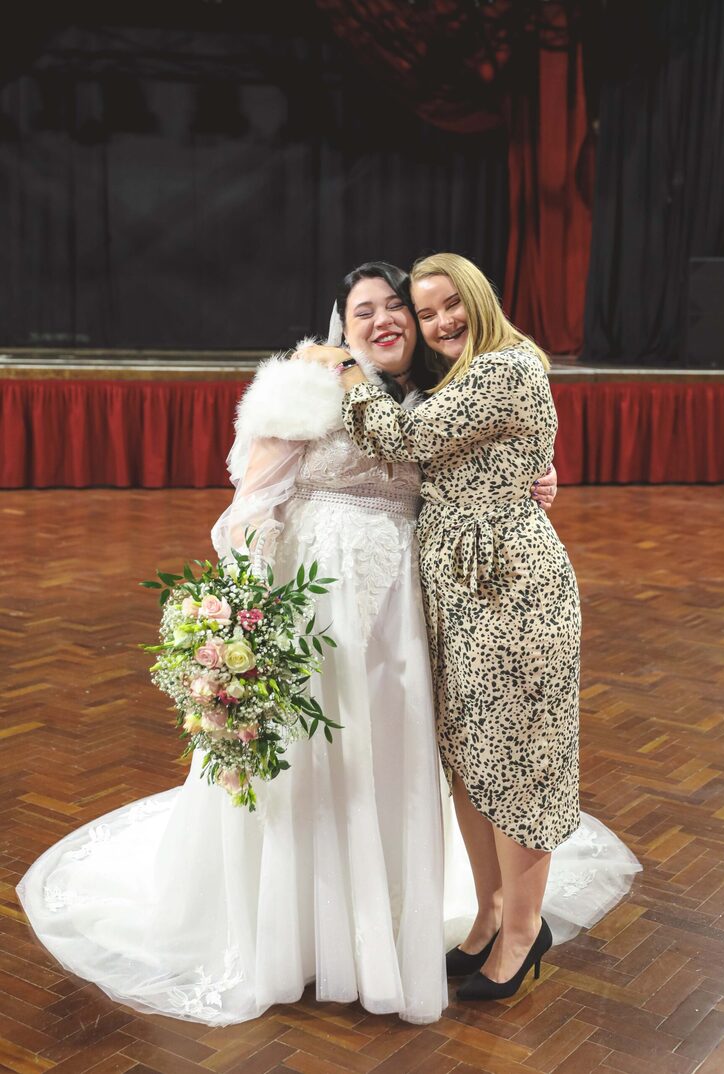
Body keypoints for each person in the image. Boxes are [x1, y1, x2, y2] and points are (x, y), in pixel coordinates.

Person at [16, 260, 636, 1026]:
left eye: (402, 308)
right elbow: (249, 508)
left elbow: (470, 453)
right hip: (317, 606)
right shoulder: (307, 382)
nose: (391, 320)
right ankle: (303, 934)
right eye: (366, 307)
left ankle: (431, 928)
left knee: (399, 759)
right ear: (341, 319)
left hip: (411, 613)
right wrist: (245, 612)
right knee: (318, 765)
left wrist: (534, 477)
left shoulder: (433, 388)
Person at [303, 252, 622, 1001]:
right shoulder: (447, 377)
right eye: (429, 311)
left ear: (480, 300)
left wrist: (347, 371)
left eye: (452, 305)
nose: (441, 321)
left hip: (512, 589)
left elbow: (408, 442)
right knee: (471, 762)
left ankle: (523, 931)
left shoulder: (505, 368)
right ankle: (486, 917)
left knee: (517, 766)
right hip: (453, 589)